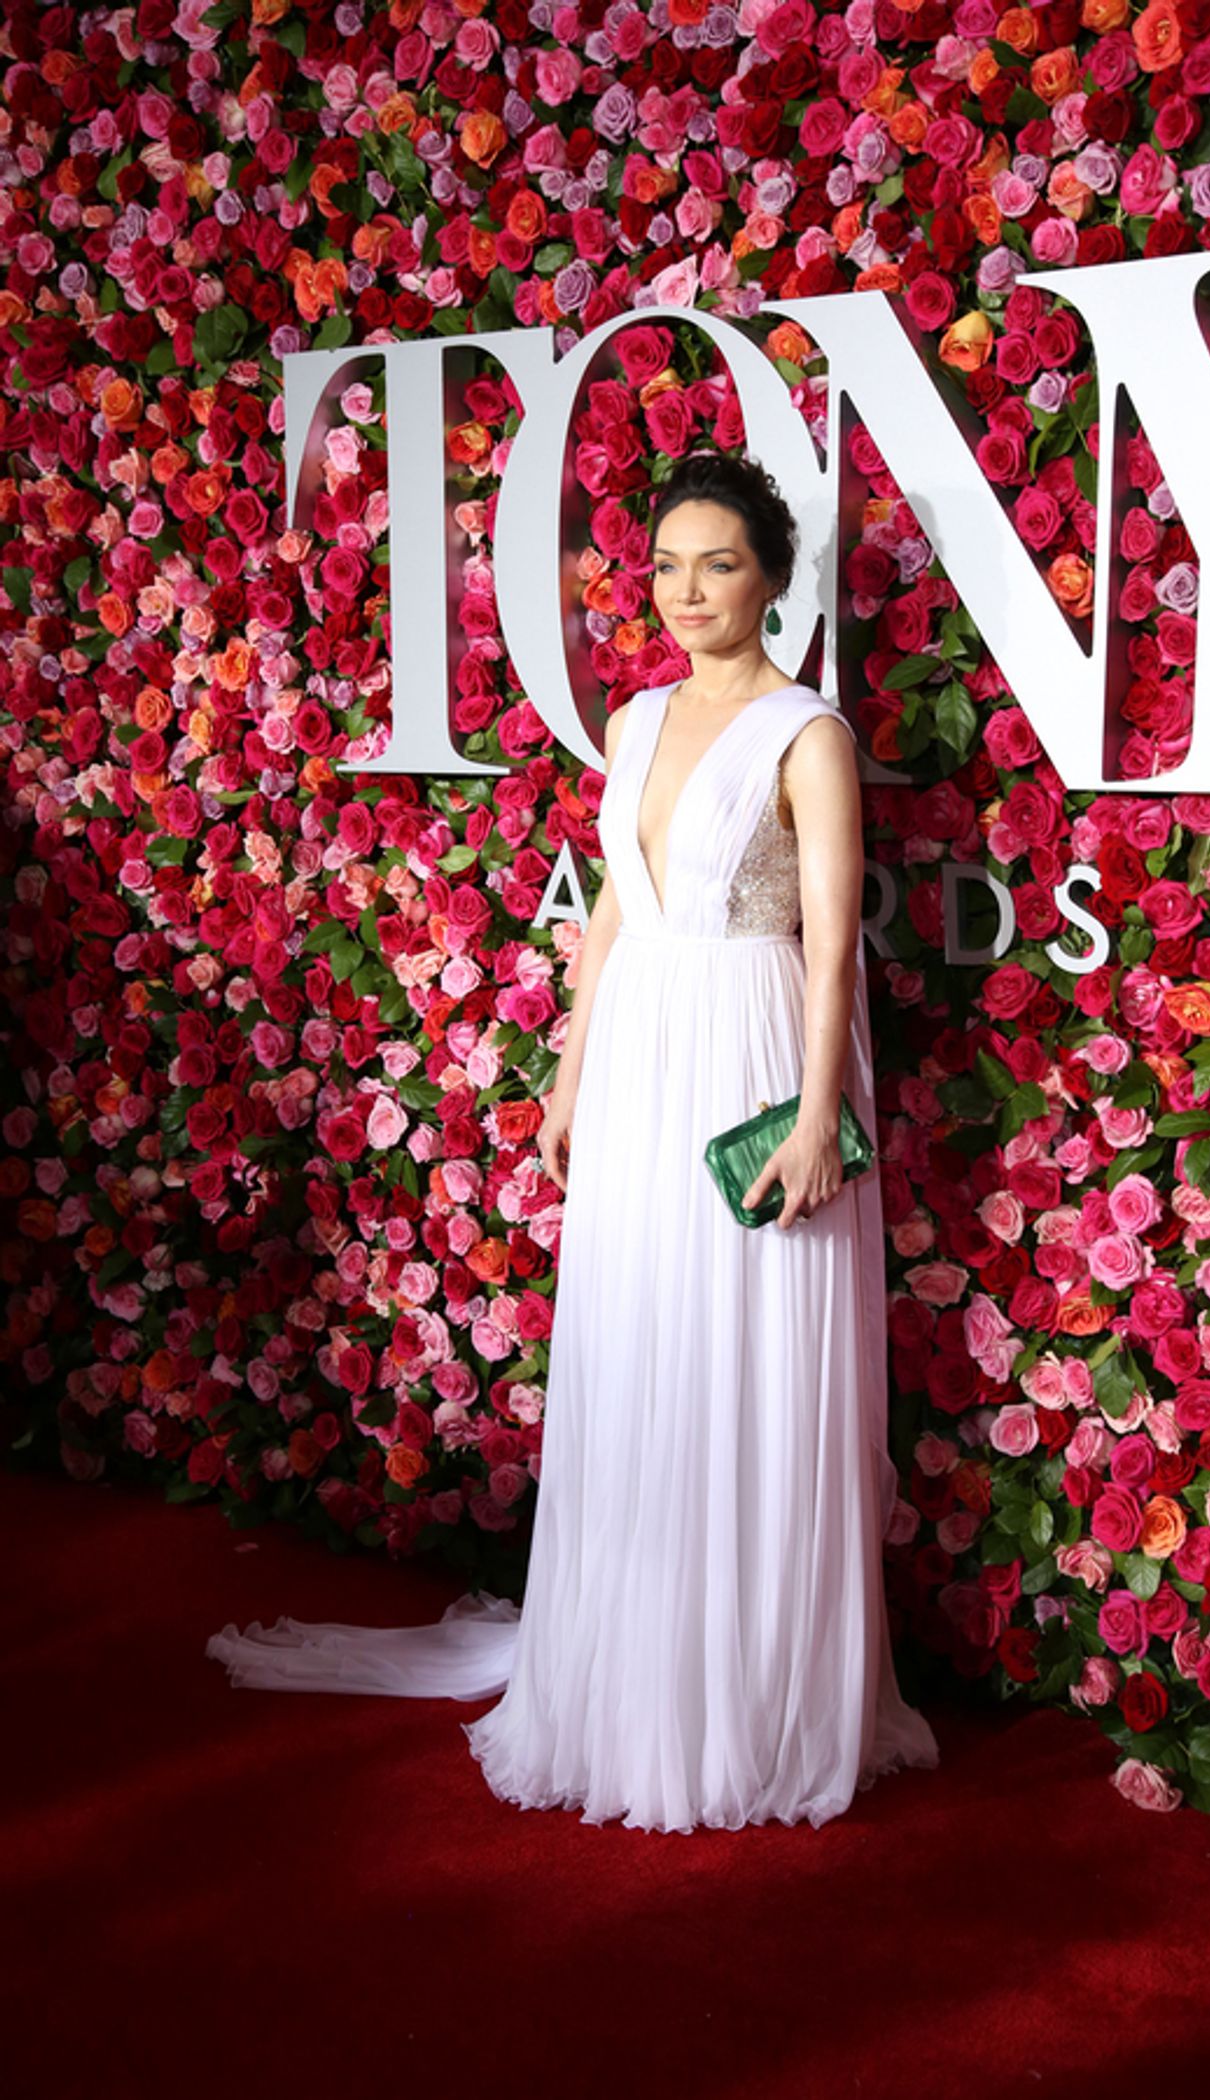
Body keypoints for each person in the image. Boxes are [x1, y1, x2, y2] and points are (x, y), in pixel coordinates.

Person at [207, 449, 940, 1832]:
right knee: (644, 1345)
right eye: (665, 566)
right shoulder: (635, 717)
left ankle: (744, 1704)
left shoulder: (810, 733)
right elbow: (614, 909)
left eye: (718, 564)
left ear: (773, 578)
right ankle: (624, 1675)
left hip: (753, 1050)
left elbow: (836, 944)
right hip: (645, 1063)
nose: (686, 592)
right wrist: (565, 1076)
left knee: (752, 1352)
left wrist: (817, 1120)